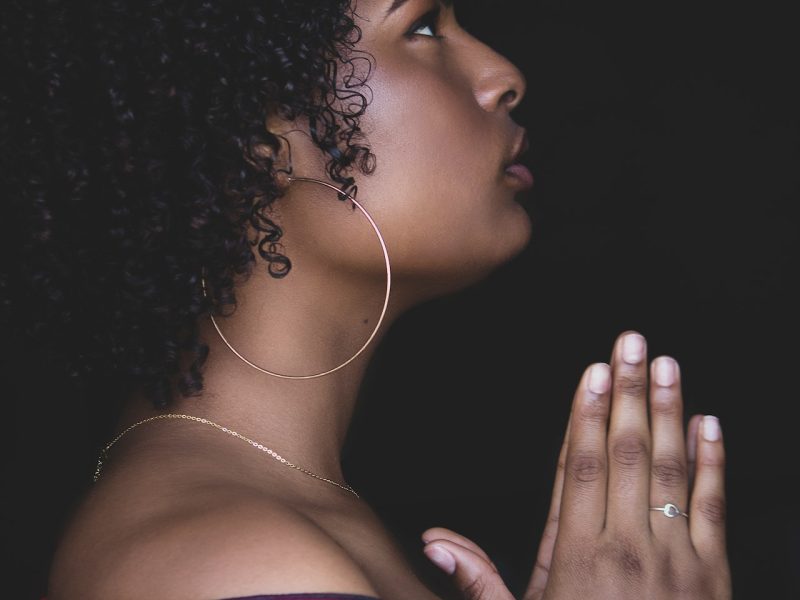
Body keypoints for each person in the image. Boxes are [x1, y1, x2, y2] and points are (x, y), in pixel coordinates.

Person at [2, 0, 732, 598]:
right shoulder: (240, 561)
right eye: (423, 26)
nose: (503, 75)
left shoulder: (278, 521)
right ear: (259, 139)